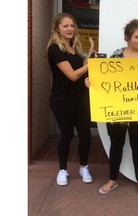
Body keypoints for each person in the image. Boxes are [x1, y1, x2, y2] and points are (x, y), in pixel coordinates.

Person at [86, 19, 138, 196]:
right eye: (137, 36)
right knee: (116, 145)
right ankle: (112, 179)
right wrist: (92, 83)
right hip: (117, 112)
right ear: (127, 37)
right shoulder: (115, 56)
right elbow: (105, 81)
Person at [46, 12, 96, 186]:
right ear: (57, 29)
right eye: (65, 26)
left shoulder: (74, 49)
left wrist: (88, 56)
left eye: (72, 25)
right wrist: (91, 65)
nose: (69, 29)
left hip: (78, 98)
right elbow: (73, 76)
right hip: (61, 99)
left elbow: (81, 70)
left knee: (85, 135)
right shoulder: (54, 49)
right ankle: (63, 170)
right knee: (66, 135)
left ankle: (83, 167)